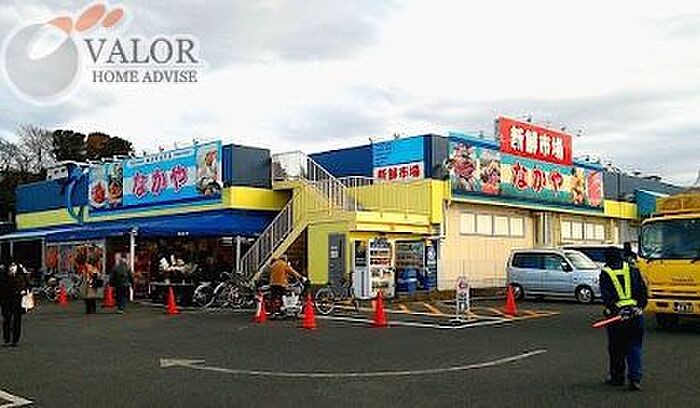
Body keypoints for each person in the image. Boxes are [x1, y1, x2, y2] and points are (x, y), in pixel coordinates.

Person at [600, 250, 648, 391]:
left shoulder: (606, 272)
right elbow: (643, 290)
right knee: (634, 346)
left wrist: (614, 309)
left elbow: (606, 296)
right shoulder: (633, 269)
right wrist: (640, 307)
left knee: (616, 349)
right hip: (635, 315)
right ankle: (635, 379)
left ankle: (617, 377)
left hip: (617, 317)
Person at [0, 260, 30, 346]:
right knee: (11, 318)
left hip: (10, 296)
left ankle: (9, 339)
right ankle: (11, 339)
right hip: (12, 296)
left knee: (9, 318)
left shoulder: (4, 269)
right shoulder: (19, 268)